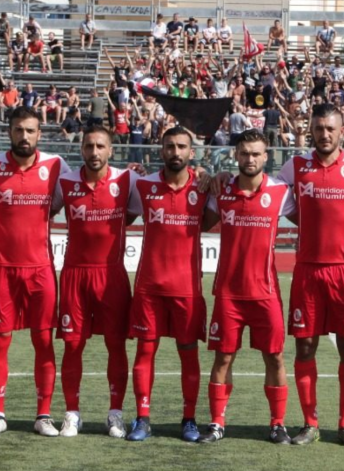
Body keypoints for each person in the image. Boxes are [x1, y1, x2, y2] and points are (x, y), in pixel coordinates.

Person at [275, 103, 344, 446]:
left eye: (330, 129)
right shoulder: (294, 166)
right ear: (311, 129)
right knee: (305, 346)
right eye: (319, 128)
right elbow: (270, 194)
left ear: (342, 132)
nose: (324, 134)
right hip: (307, 271)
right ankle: (310, 423)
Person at [0, 107, 71, 438]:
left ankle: (43, 415)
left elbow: (74, 195)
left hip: (41, 269)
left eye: (30, 130)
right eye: (19, 130)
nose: (24, 136)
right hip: (0, 269)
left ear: (39, 134)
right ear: (9, 132)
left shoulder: (56, 166)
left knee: (43, 340)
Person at [195, 130, 294, 444]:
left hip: (266, 293)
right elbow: (200, 223)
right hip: (228, 293)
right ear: (235, 156)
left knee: (275, 357)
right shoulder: (221, 189)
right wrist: (204, 179)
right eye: (244, 153)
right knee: (223, 358)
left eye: (256, 154)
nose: (250, 159)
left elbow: (314, 219)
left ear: (266, 157)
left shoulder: (281, 192)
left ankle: (277, 423)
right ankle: (216, 423)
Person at [49, 125, 139, 438]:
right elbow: (42, 213)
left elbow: (141, 212)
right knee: (73, 345)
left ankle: (115, 413)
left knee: (115, 344)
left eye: (101, 146)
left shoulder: (128, 180)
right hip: (74, 274)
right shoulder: (65, 181)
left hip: (111, 274)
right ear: (81, 149)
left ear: (111, 150)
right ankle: (72, 413)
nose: (94, 152)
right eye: (89, 146)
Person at [125, 126, 212, 443]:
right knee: (145, 353)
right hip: (149, 288)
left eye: (181, 147)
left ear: (192, 152)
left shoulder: (204, 187)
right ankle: (142, 418)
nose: (175, 152)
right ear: (161, 150)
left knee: (189, 355)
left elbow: (216, 217)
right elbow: (120, 214)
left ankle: (189, 419)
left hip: (188, 288)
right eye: (170, 146)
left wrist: (217, 176)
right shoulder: (143, 185)